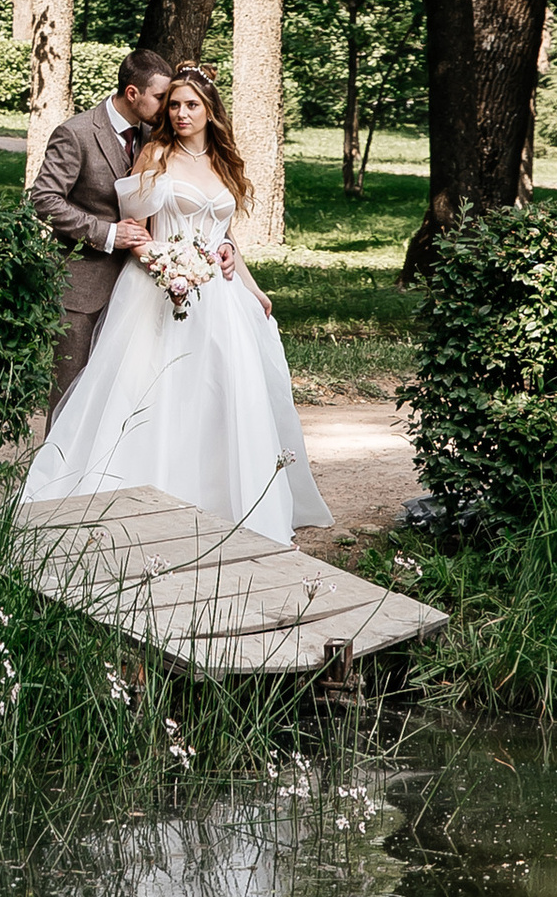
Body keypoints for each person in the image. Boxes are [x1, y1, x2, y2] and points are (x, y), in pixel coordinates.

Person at [23, 62, 331, 544]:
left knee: (218, 395)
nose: (181, 112)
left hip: (219, 298)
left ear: (211, 111)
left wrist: (250, 285)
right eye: (174, 104)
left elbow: (224, 235)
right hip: (158, 289)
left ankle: (223, 500)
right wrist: (171, 269)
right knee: (144, 394)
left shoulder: (223, 161)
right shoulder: (153, 153)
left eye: (191, 104)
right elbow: (137, 230)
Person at [28, 46, 175, 411]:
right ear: (132, 94)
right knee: (70, 400)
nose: (167, 107)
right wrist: (108, 233)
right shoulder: (75, 134)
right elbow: (43, 200)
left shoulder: (154, 137)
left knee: (123, 400)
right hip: (82, 291)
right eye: (160, 97)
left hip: (137, 292)